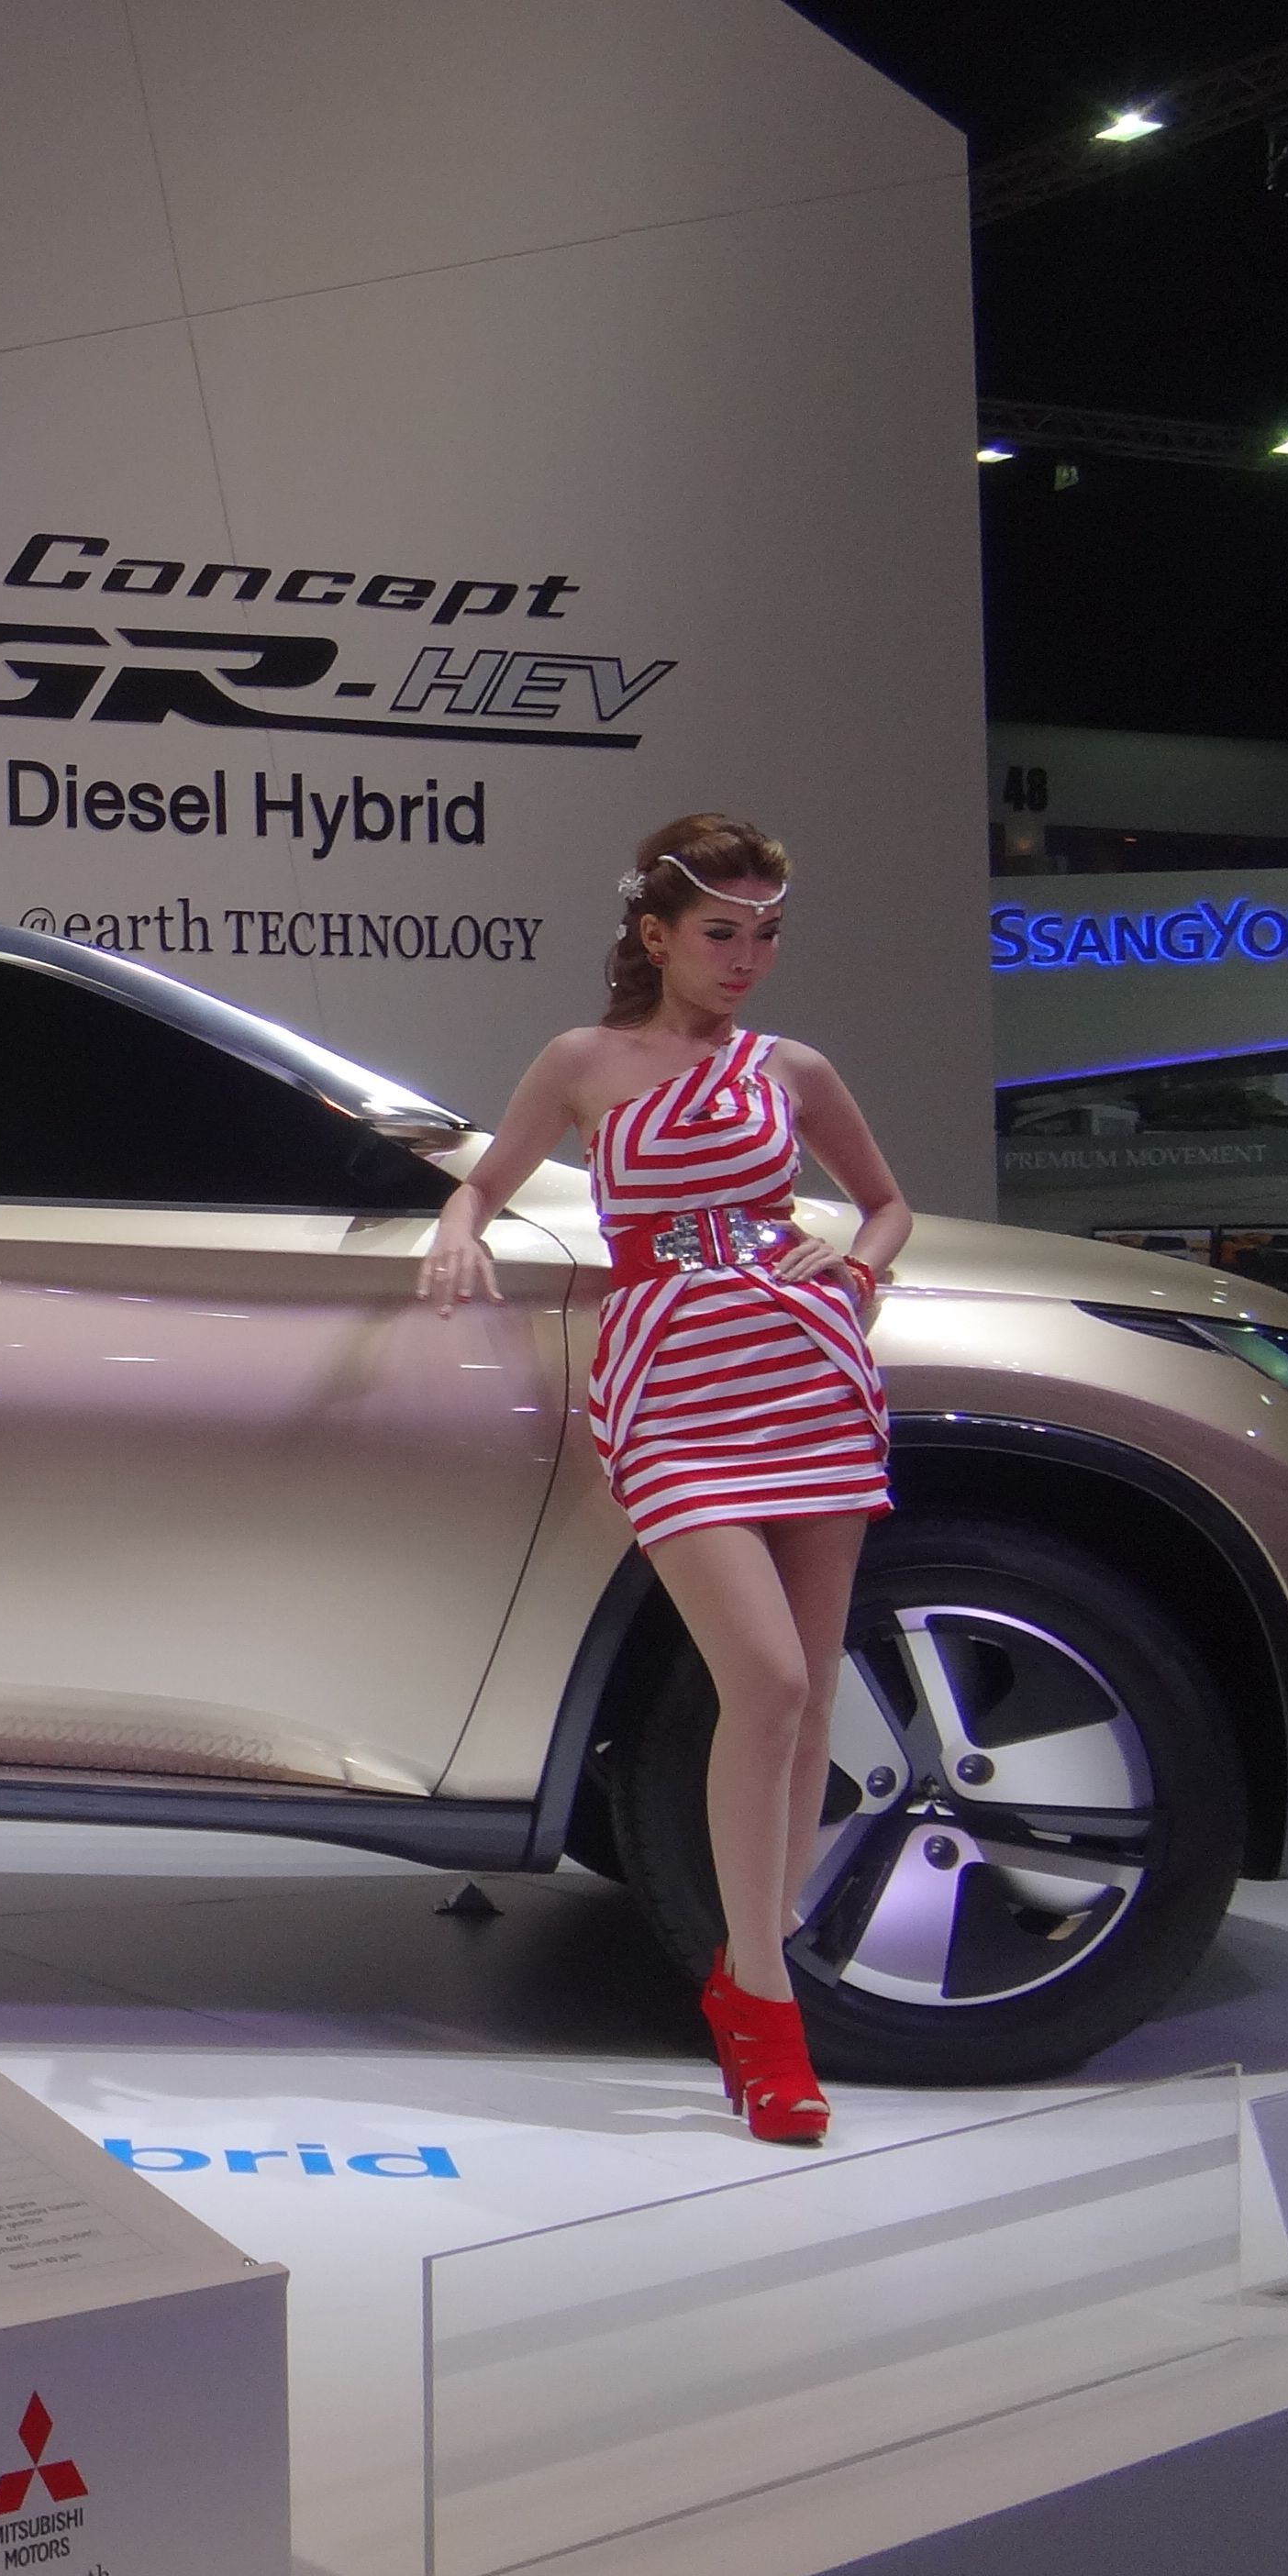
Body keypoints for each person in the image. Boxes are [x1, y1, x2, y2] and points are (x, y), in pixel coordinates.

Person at [417, 815, 914, 2144]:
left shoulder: (792, 1069)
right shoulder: (581, 1061)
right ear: (656, 934)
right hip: (672, 1380)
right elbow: (487, 1183)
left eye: (766, 935)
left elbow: (886, 1203)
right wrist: (459, 1230)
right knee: (770, 1681)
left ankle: (760, 1984)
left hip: (804, 1369)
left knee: (809, 1698)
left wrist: (859, 1269)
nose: (747, 958)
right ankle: (763, 2005)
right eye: (721, 933)